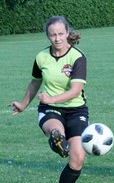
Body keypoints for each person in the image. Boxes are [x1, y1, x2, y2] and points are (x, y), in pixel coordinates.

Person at [9, 16, 89, 183]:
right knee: (56, 133)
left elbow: (75, 91)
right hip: (50, 108)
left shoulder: (78, 57)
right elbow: (35, 82)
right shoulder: (41, 57)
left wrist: (51, 97)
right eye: (53, 35)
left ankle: (61, 145)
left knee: (78, 158)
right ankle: (57, 140)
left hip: (76, 110)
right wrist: (22, 105)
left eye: (61, 33)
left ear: (67, 33)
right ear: (48, 36)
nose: (57, 38)